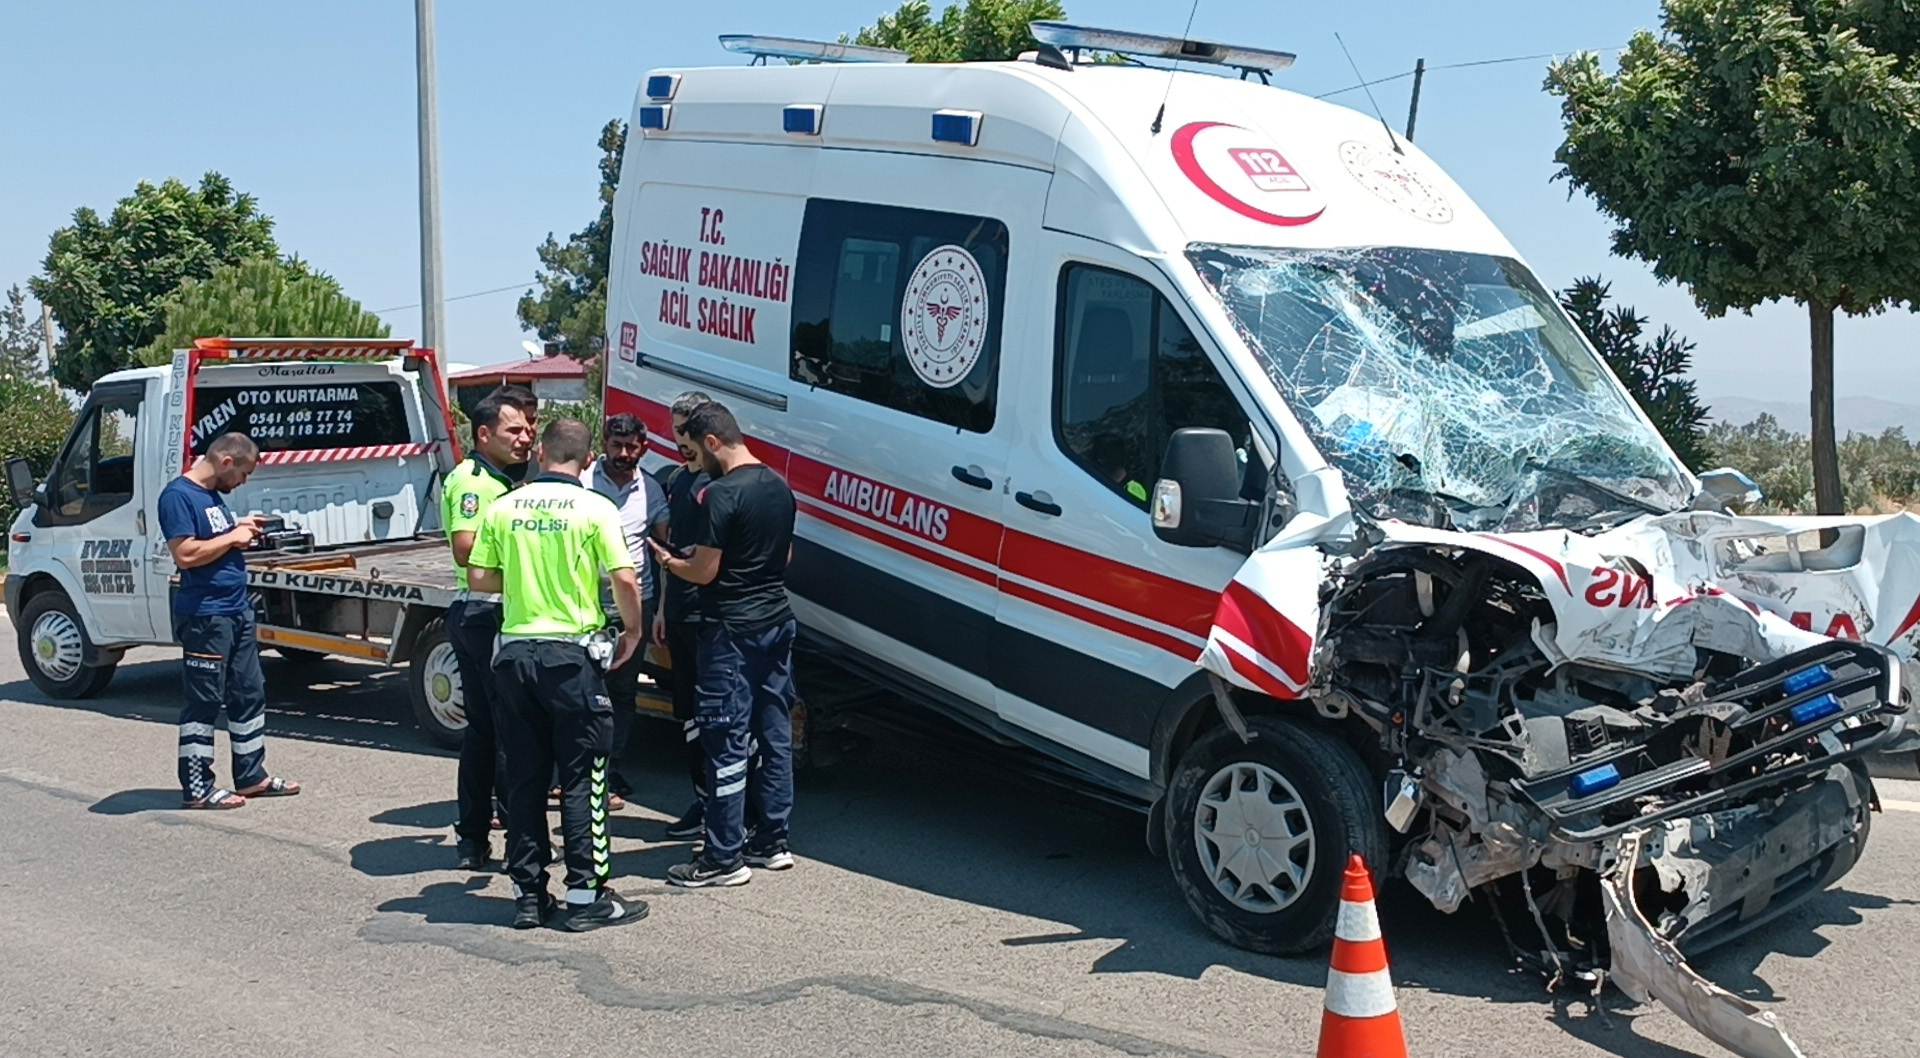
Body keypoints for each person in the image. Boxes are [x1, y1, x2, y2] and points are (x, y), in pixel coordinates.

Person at [468, 418, 648, 931]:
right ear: (588, 461)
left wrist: (525, 576)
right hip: (570, 659)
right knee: (583, 779)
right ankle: (585, 896)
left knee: (524, 779)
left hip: (515, 657)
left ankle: (528, 895)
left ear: (541, 453)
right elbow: (625, 579)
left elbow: (479, 577)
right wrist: (632, 634)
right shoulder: (596, 507)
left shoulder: (505, 506)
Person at [650, 400, 798, 887]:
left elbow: (704, 571)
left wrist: (669, 561)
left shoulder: (720, 493)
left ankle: (721, 857)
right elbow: (786, 554)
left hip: (730, 630)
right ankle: (771, 841)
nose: (692, 459)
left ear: (713, 443)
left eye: (694, 449)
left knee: (725, 739)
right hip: (777, 620)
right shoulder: (778, 485)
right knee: (773, 730)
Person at [159, 432, 301, 809]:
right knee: (204, 702)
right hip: (206, 616)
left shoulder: (212, 499)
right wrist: (233, 537)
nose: (244, 481)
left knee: (248, 693)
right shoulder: (178, 497)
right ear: (225, 462)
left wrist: (240, 529)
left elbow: (214, 541)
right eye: (244, 473)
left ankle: (252, 776)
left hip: (236, 611)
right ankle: (198, 788)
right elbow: (186, 554)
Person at [443, 394, 536, 870]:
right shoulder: (473, 482)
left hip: (492, 612)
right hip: (484, 613)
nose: (526, 438)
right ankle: (510, 838)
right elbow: (465, 549)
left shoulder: (507, 479)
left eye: (527, 430)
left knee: (486, 732)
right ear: (483, 435)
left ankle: (473, 839)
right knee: (503, 732)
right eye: (513, 431)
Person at [582, 413, 669, 809]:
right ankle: (575, 772)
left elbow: (665, 550)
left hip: (635, 603)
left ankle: (610, 770)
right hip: (585, 604)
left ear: (644, 448)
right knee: (580, 692)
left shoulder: (652, 491)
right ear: (604, 443)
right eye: (615, 445)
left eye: (630, 447)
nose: (622, 453)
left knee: (622, 694)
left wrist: (662, 608)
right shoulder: (582, 484)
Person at [651, 391, 714, 840]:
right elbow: (668, 552)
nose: (681, 438)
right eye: (676, 429)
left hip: (710, 618)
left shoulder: (721, 482)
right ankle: (702, 800)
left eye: (689, 427)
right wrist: (659, 609)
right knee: (687, 716)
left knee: (717, 717)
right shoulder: (674, 480)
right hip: (676, 613)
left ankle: (727, 810)